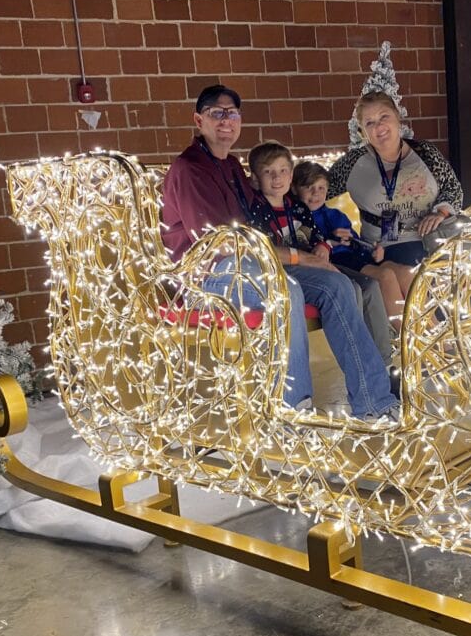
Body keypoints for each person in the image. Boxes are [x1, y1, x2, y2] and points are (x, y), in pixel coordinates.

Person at [161, 84, 398, 421]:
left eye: (232, 113)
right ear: (199, 120)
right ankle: (293, 411)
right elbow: (224, 244)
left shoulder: (230, 167)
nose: (226, 121)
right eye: (217, 113)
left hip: (252, 264)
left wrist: (311, 246)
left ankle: (375, 403)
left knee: (339, 286)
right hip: (208, 275)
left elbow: (262, 225)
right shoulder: (190, 170)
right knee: (285, 291)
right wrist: (300, 259)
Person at [245, 142, 394, 365]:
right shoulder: (256, 211)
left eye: (283, 171)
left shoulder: (297, 208)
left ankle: (383, 361)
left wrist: (324, 246)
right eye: (268, 172)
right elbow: (265, 250)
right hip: (292, 270)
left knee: (370, 285)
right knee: (349, 287)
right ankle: (360, 362)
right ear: (255, 178)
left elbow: (317, 239)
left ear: (290, 175)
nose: (277, 178)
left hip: (316, 263)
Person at [327, 90, 464, 296]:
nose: (379, 127)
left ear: (397, 117)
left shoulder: (425, 152)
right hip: (386, 247)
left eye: (384, 117)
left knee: (469, 270)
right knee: (422, 275)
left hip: (434, 238)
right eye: (370, 123)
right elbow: (315, 191)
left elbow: (453, 188)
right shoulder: (352, 163)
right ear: (362, 131)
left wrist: (441, 212)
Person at [293, 160, 404, 331]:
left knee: (396, 271)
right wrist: (331, 240)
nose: (316, 193)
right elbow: (307, 244)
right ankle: (403, 331)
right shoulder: (298, 217)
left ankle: (401, 329)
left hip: (358, 256)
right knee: (385, 275)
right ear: (295, 189)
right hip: (339, 260)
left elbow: (355, 241)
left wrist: (372, 250)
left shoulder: (335, 214)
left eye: (321, 188)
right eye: (309, 187)